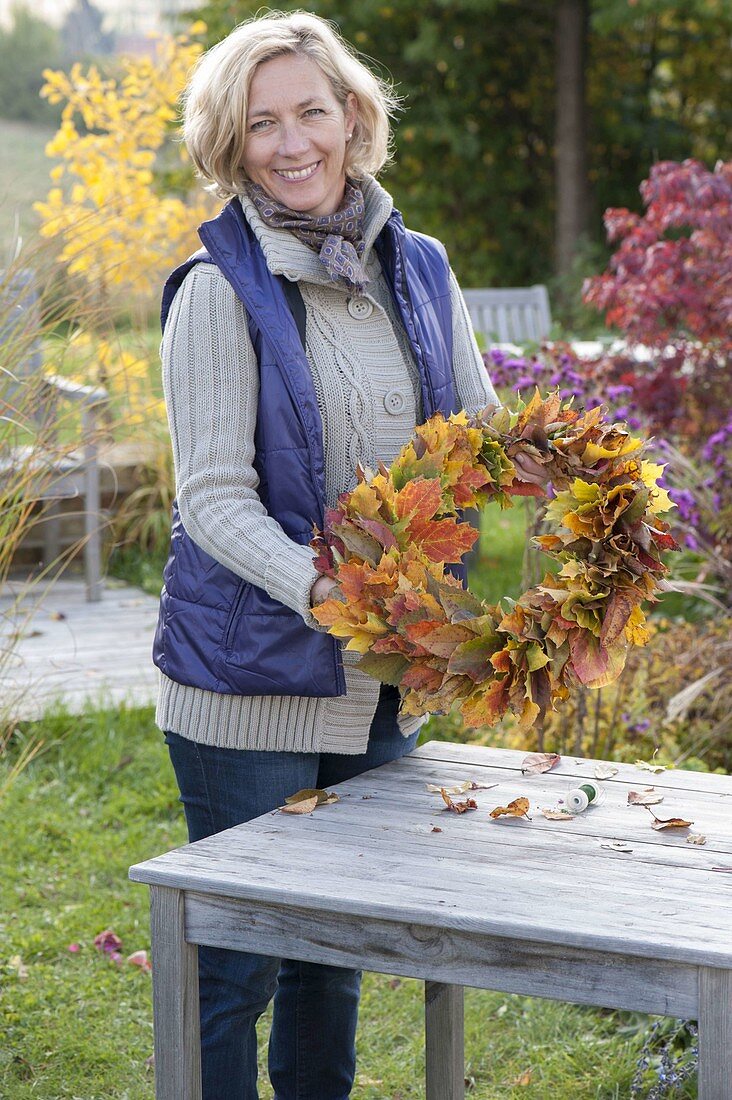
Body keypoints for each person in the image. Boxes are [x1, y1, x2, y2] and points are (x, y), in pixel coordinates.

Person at [153, 11, 542, 1099]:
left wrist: (567, 467)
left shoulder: (419, 267)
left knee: (336, 962)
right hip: (252, 687)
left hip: (383, 682)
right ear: (233, 146)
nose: (291, 143)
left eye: (310, 111)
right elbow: (215, 502)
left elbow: (474, 436)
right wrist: (325, 591)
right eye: (261, 123)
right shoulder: (218, 292)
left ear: (353, 117)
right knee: (241, 967)